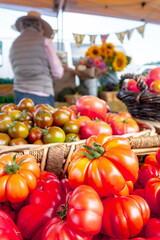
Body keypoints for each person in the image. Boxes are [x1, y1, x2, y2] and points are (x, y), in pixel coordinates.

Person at [9, 11, 64, 107]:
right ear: (40, 27)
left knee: (21, 121)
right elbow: (58, 72)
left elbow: (15, 69)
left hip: (19, 93)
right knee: (45, 121)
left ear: (22, 26)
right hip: (41, 93)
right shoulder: (45, 42)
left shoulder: (14, 44)